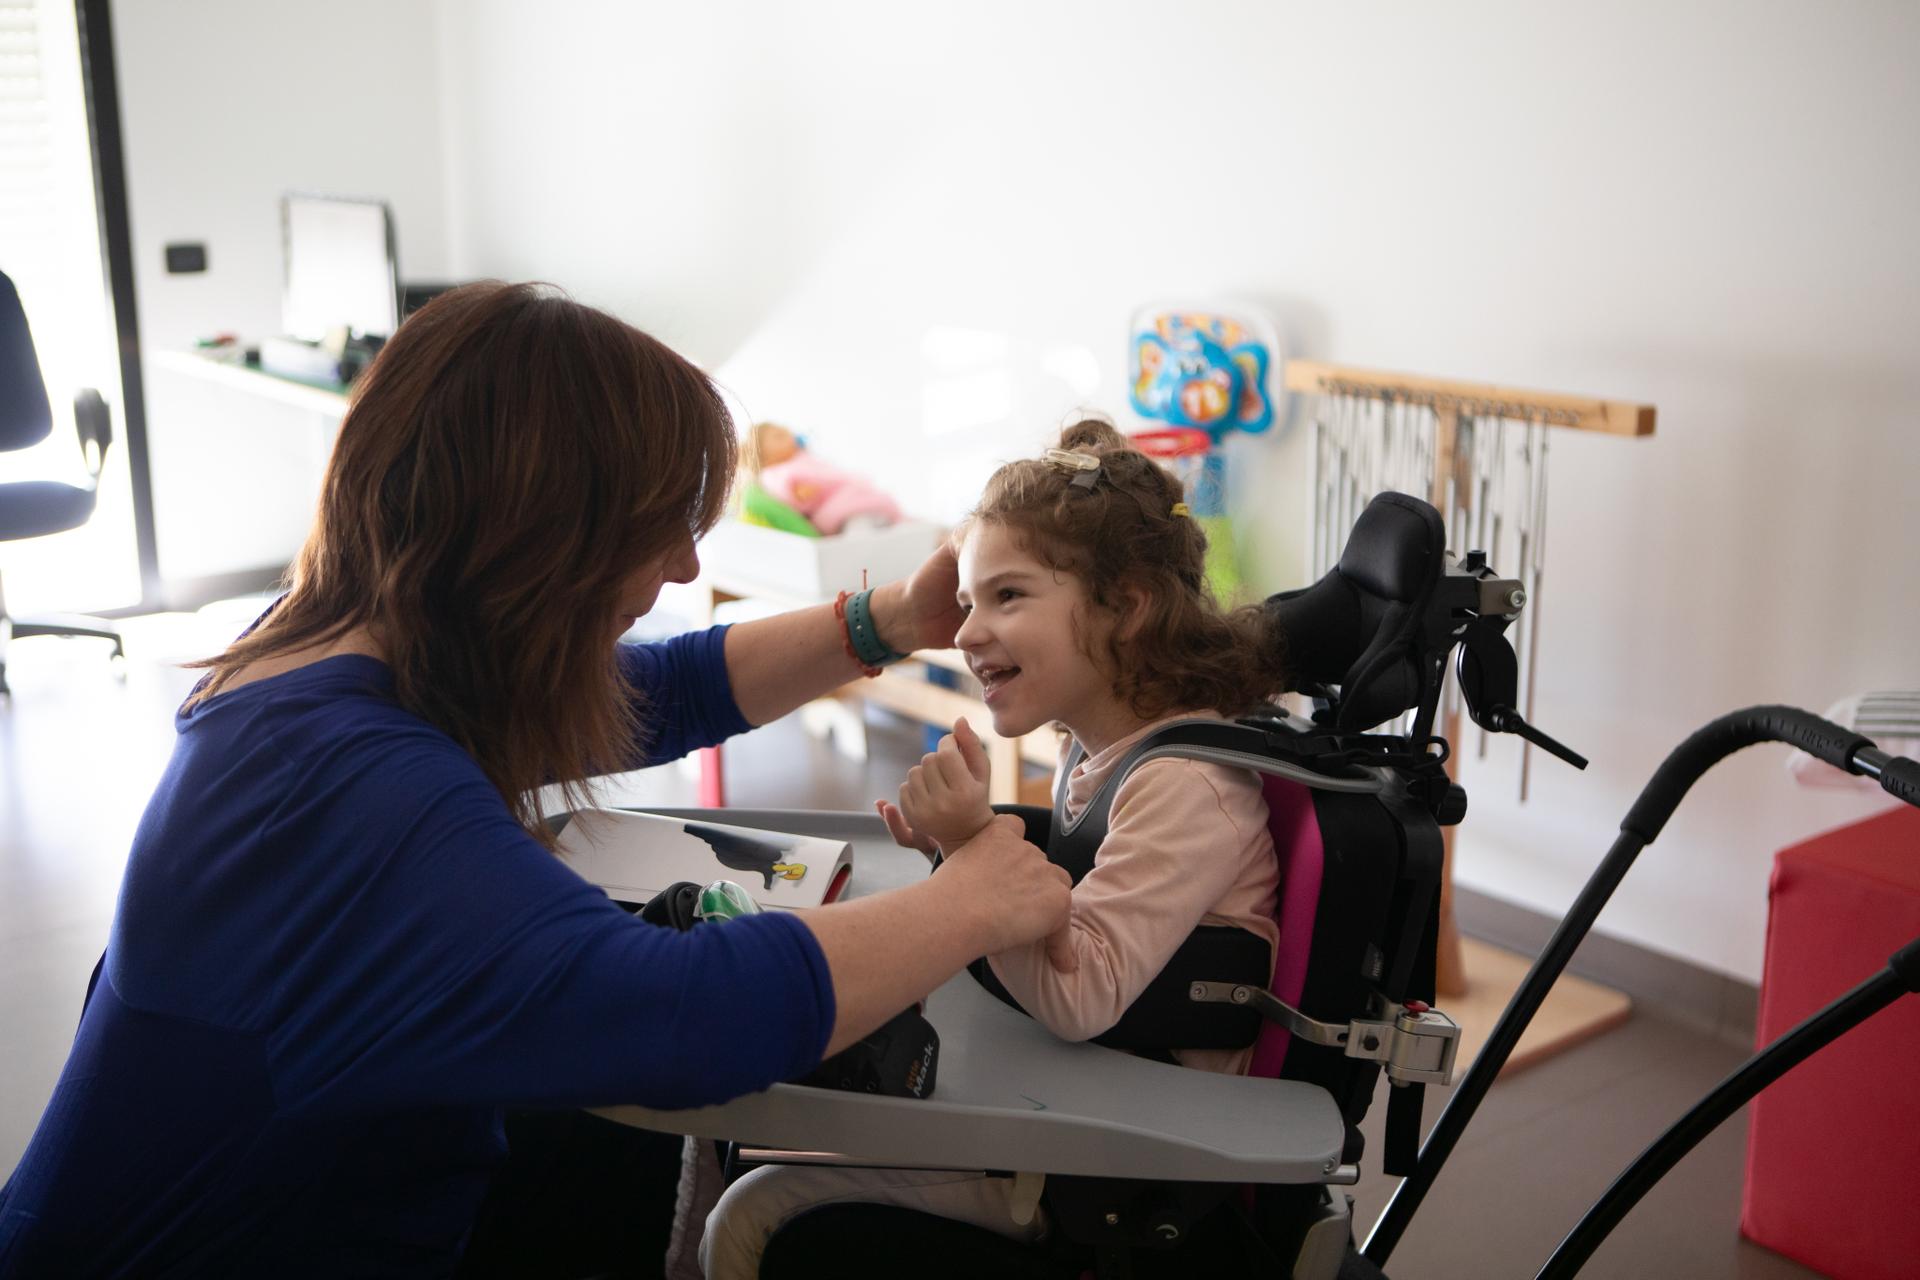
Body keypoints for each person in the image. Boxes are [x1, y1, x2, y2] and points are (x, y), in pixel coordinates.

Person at [0, 281, 1070, 1279]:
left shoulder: (333, 643)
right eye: (662, 531)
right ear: (545, 537)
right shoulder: (344, 789)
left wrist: (892, 619)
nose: (686, 568)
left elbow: (656, 690)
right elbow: (687, 1015)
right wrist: (966, 901)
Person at [699, 418, 1291, 1277]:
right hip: (1069, 1109)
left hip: (1113, 1165)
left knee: (753, 1212)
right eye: (970, 601)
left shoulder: (1185, 785)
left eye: (1007, 596)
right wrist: (958, 852)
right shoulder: (1104, 751)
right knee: (753, 1141)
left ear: (1127, 606)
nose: (968, 631)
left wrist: (973, 849)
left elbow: (1081, 997)